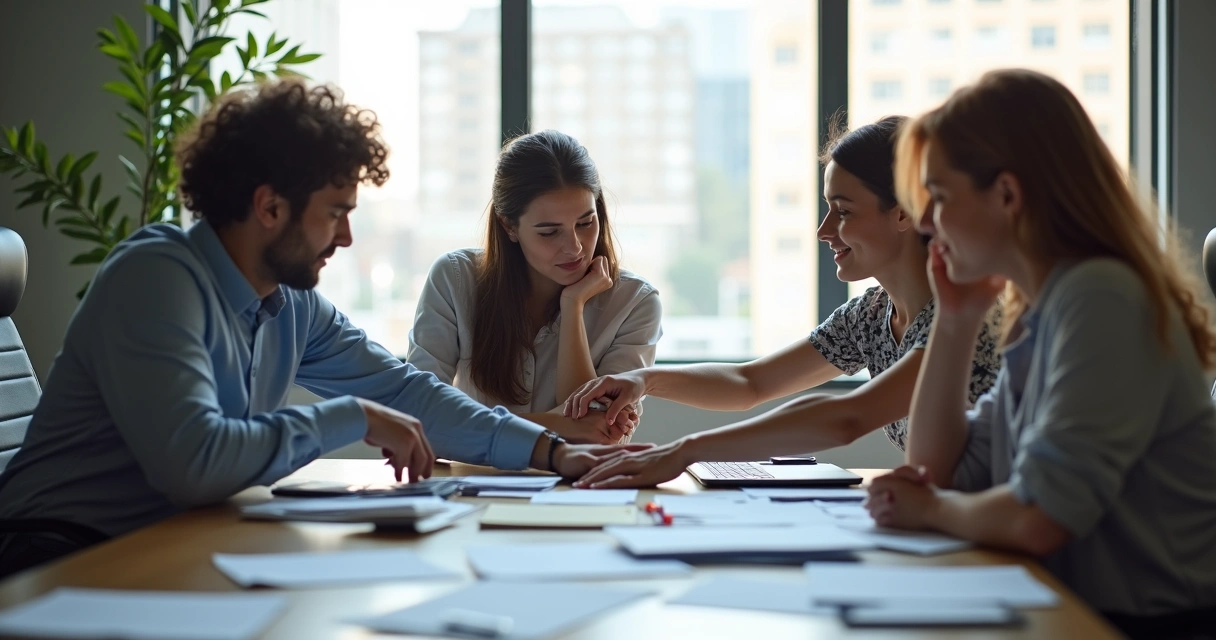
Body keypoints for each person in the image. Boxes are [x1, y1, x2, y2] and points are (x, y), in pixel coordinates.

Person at [0, 80, 643, 578]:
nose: (346, 236)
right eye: (335, 212)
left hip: (170, 538)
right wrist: (350, 416)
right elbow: (193, 464)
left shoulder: (290, 303)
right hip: (54, 553)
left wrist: (552, 453)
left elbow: (410, 395)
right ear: (269, 206)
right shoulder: (157, 277)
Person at [864, 69, 1216, 638]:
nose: (927, 224)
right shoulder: (1046, 309)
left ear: (1007, 195)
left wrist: (926, 510)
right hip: (1083, 612)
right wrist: (955, 320)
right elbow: (940, 471)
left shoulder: (1101, 296)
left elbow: (1039, 518)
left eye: (941, 197)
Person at [569, 116, 1002, 489]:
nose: (824, 230)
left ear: (905, 212)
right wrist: (646, 380)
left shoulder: (963, 312)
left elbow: (846, 418)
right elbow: (750, 382)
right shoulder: (870, 315)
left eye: (843, 211)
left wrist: (683, 452)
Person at [407, 129, 662, 446]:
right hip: (475, 485)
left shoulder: (635, 302)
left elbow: (597, 436)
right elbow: (417, 417)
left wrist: (574, 305)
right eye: (549, 232)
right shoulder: (455, 279)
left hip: (584, 491)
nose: (575, 248)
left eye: (585, 223)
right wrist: (553, 425)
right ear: (509, 226)